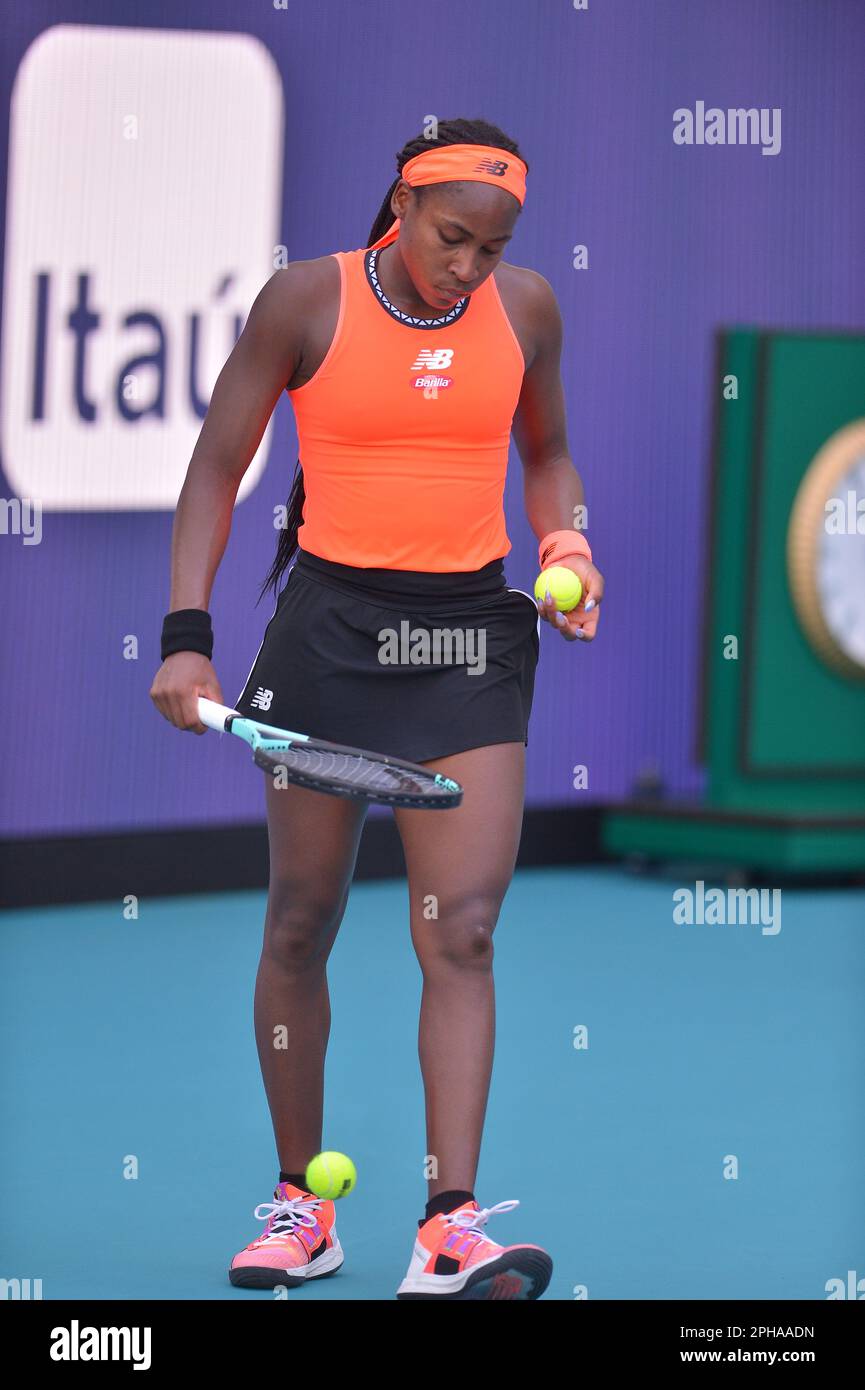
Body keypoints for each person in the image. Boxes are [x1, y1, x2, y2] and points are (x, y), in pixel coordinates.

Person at [150, 116, 604, 1301]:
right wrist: (187, 639)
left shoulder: (529, 310)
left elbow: (548, 450)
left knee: (461, 931)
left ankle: (449, 1223)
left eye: (491, 247)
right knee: (300, 920)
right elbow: (215, 466)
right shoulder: (303, 303)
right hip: (329, 637)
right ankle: (305, 1204)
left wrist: (565, 536)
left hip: (469, 642)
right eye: (452, 239)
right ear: (401, 209)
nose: (469, 266)